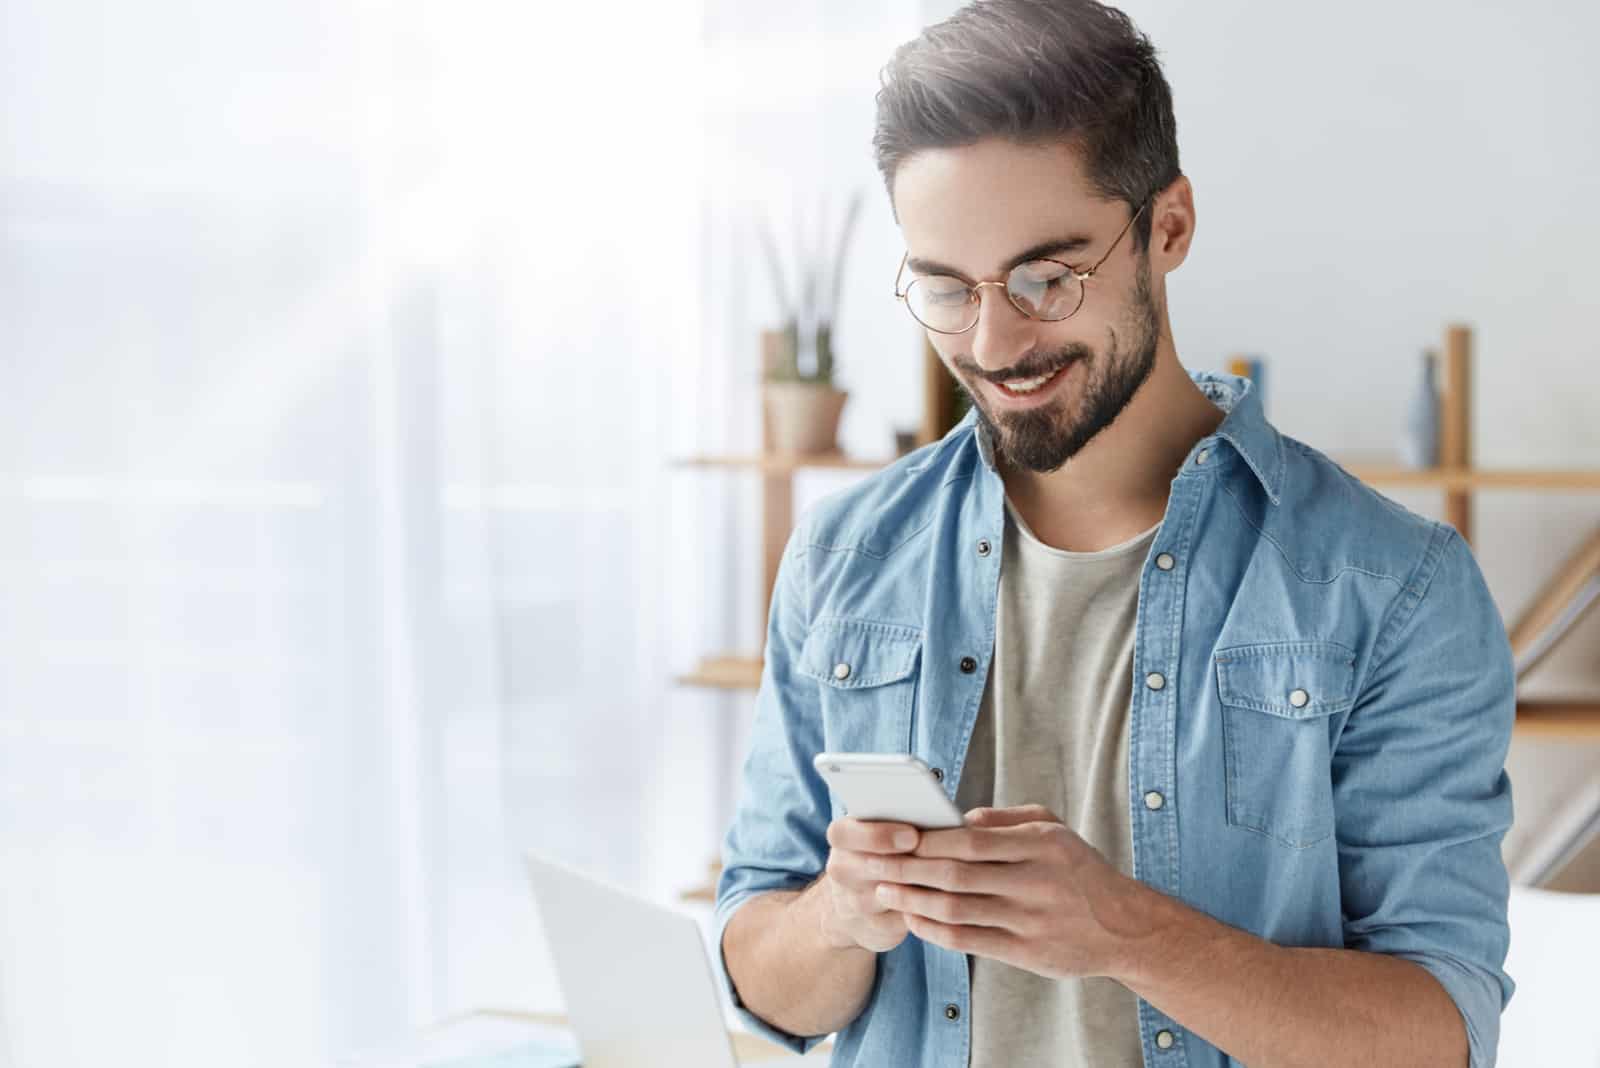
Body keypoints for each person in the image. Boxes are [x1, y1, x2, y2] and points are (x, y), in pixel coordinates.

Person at [712, 2, 1515, 1065]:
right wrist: (839, 914)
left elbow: (1439, 1035)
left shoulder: (1391, 587)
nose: (995, 342)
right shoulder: (844, 558)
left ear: (1167, 227)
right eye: (948, 288)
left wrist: (1125, 933)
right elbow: (760, 979)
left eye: (1047, 277)